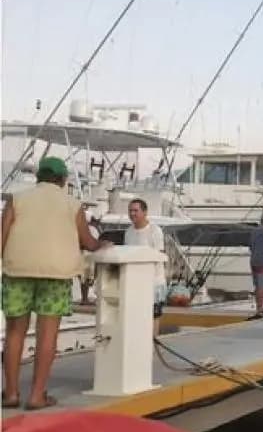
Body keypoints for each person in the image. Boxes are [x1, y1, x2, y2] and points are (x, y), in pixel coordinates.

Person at [2, 157, 105, 410]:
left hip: (18, 271)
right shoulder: (73, 204)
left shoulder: (17, 198)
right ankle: (37, 396)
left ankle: (12, 393)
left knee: (15, 332)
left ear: (38, 176)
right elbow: (88, 242)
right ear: (62, 179)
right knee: (47, 335)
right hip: (56, 274)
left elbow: (1, 237)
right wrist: (103, 244)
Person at [124, 198, 169, 333]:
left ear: (145, 212)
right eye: (130, 211)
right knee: (136, 316)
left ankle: (153, 344)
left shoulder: (155, 231)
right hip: (135, 282)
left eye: (135, 210)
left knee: (153, 316)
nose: (132, 213)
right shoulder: (128, 232)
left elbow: (158, 254)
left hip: (154, 282)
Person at [79, 211, 102, 305]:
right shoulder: (90, 229)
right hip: (87, 256)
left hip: (89, 256)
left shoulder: (93, 229)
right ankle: (84, 299)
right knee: (86, 279)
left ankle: (85, 298)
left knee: (87, 278)